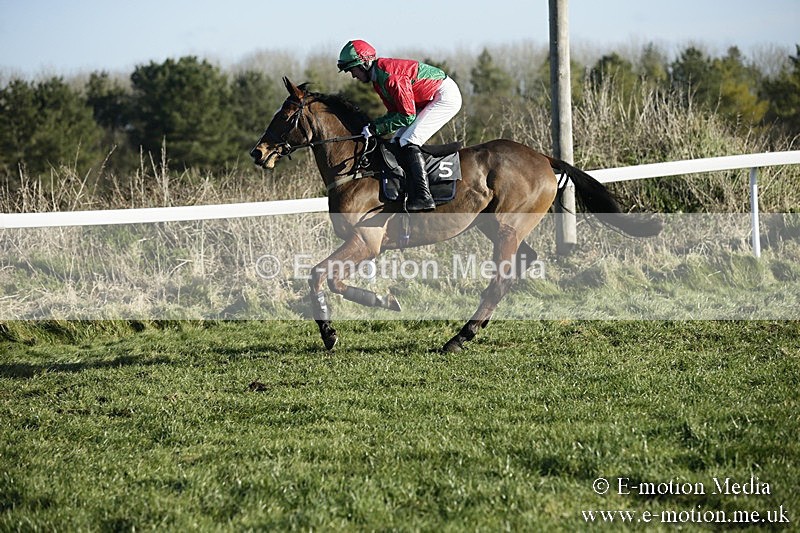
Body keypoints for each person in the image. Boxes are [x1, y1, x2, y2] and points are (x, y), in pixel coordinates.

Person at [337, 39, 462, 211]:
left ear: (365, 64)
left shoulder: (390, 77)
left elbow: (407, 116)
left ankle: (424, 197)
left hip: (443, 96)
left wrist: (376, 129)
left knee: (409, 141)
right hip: (423, 101)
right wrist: (373, 126)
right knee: (395, 142)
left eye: (353, 69)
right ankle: (404, 190)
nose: (353, 75)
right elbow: (394, 114)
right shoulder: (378, 80)